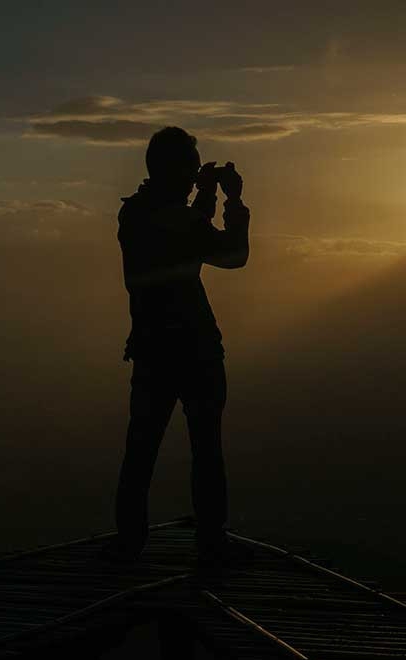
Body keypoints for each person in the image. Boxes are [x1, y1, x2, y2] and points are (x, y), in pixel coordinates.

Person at [109, 126, 250, 567]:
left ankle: (129, 541)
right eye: (191, 167)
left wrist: (202, 200)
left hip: (153, 349)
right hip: (195, 348)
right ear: (178, 170)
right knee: (206, 447)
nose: (194, 175)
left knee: (141, 447)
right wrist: (232, 202)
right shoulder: (177, 218)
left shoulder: (134, 215)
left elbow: (184, 235)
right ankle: (211, 541)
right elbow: (231, 254)